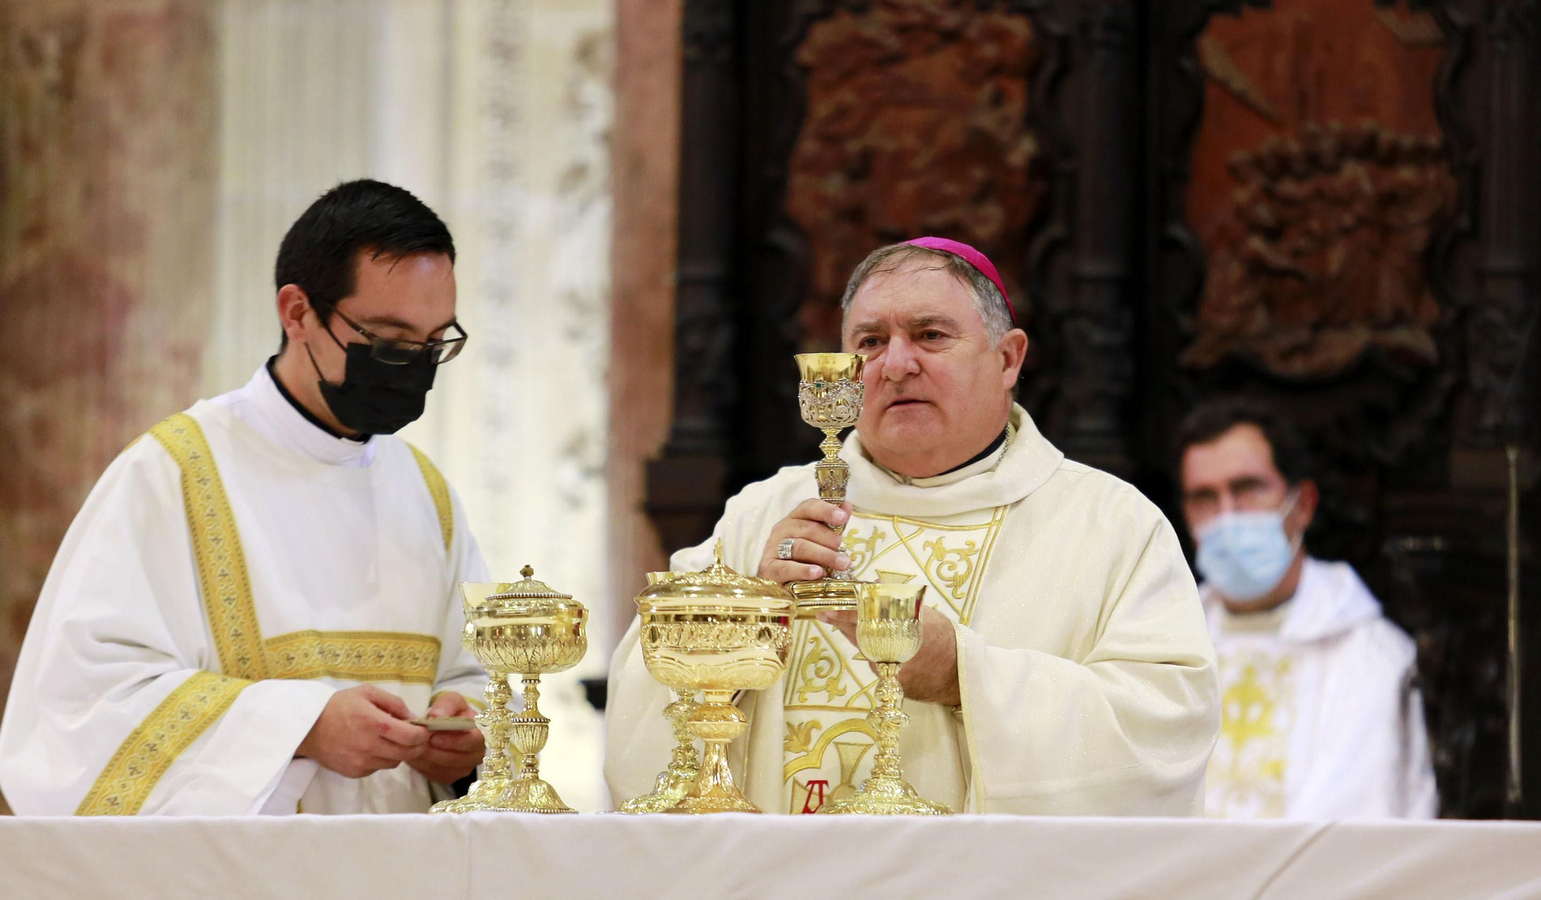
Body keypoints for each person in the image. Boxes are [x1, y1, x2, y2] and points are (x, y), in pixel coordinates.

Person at [605, 238, 1220, 815]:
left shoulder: (1110, 525)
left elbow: (1164, 729)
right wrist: (748, 617)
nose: (896, 364)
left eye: (930, 335)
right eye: (870, 342)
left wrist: (962, 674)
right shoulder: (761, 515)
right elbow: (636, 728)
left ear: (1007, 359)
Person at [0, 180, 490, 815]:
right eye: (389, 340)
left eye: (432, 345)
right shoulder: (172, 474)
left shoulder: (425, 493)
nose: (412, 366)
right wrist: (305, 727)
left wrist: (466, 736)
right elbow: (83, 705)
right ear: (298, 312)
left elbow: (473, 674)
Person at [1177, 397, 1438, 818]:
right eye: (1205, 497)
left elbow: (1356, 815)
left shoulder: (1369, 655)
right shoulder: (1164, 645)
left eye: (1247, 489)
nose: (1226, 516)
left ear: (1302, 506)